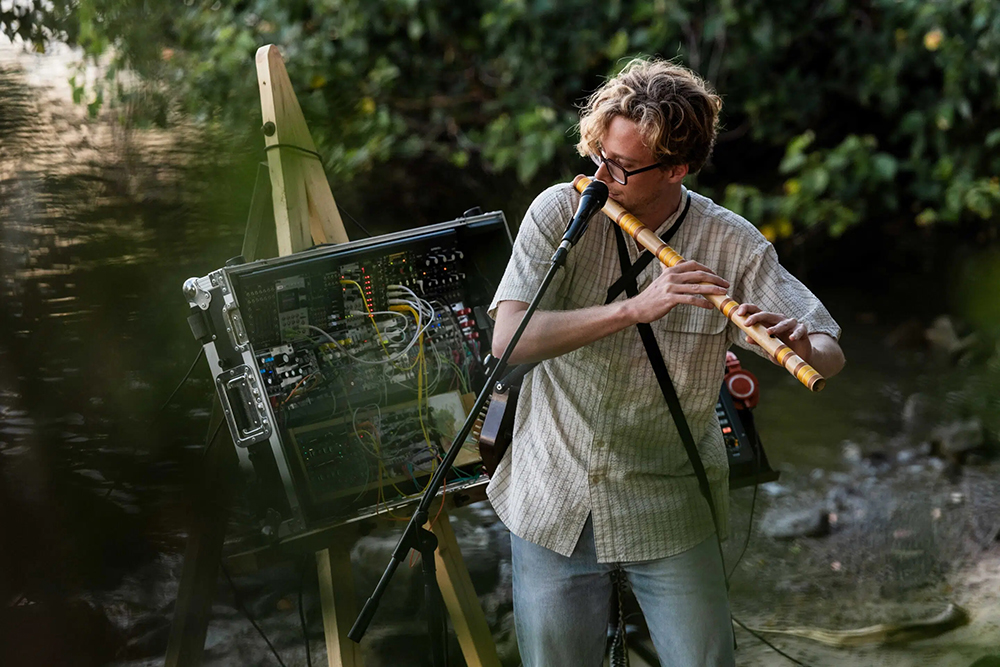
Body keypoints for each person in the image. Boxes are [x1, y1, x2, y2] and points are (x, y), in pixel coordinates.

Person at [487, 57, 845, 667]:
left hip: (669, 496)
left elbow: (829, 352)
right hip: (554, 488)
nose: (600, 174)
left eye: (621, 166)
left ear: (676, 168)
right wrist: (635, 308)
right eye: (598, 153)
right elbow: (508, 342)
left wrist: (800, 345)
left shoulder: (730, 241)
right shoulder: (558, 212)